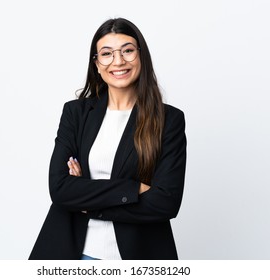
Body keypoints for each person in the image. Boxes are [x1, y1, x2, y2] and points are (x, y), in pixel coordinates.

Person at [29, 18, 186, 260]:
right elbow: (60, 189)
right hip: (72, 253)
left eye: (128, 50)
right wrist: (134, 189)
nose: (119, 61)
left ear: (141, 56)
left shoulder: (169, 120)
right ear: (96, 64)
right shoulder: (76, 113)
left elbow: (166, 202)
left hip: (139, 255)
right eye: (107, 53)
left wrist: (87, 200)